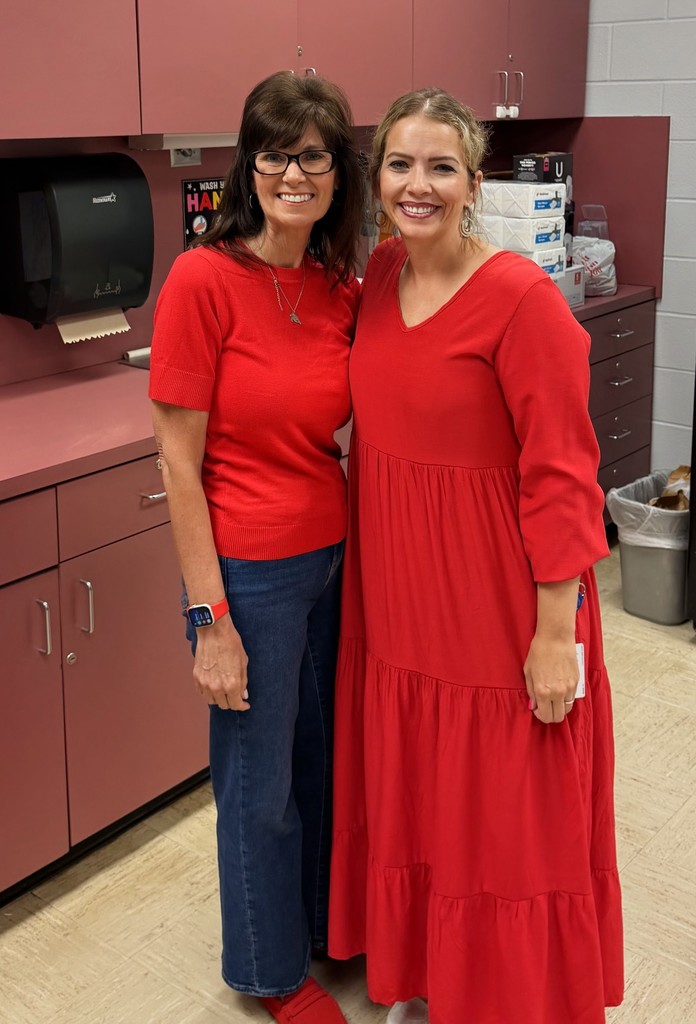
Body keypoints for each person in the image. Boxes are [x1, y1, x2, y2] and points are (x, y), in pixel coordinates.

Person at [328, 88, 623, 1024]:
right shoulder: (376, 277)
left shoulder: (521, 302)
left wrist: (551, 637)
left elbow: (564, 479)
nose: (419, 185)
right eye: (401, 165)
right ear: (378, 182)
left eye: (441, 167)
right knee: (425, 794)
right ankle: (438, 979)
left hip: (501, 605)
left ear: (473, 183)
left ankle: (515, 1000)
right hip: (402, 603)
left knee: (510, 816)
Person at [149, 71, 362, 1024]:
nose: (293, 172)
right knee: (258, 781)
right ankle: (271, 974)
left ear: (335, 171)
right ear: (249, 164)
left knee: (321, 764)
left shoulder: (334, 281)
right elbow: (177, 462)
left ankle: (318, 927)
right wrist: (210, 619)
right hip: (253, 575)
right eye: (274, 152)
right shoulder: (204, 279)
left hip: (333, 560)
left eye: (312, 154)